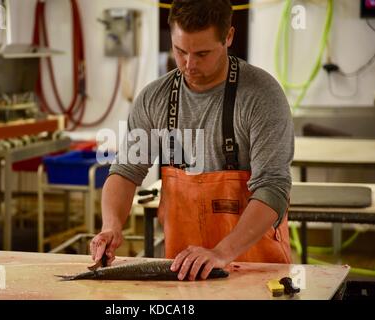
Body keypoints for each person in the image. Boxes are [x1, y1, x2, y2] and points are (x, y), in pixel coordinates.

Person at [90, 0, 294, 281]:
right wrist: (111, 225)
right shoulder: (154, 99)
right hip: (183, 272)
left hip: (255, 272)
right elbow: (126, 171)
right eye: (180, 51)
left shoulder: (262, 96)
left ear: (229, 37)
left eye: (202, 53)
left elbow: (273, 188)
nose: (189, 64)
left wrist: (222, 253)